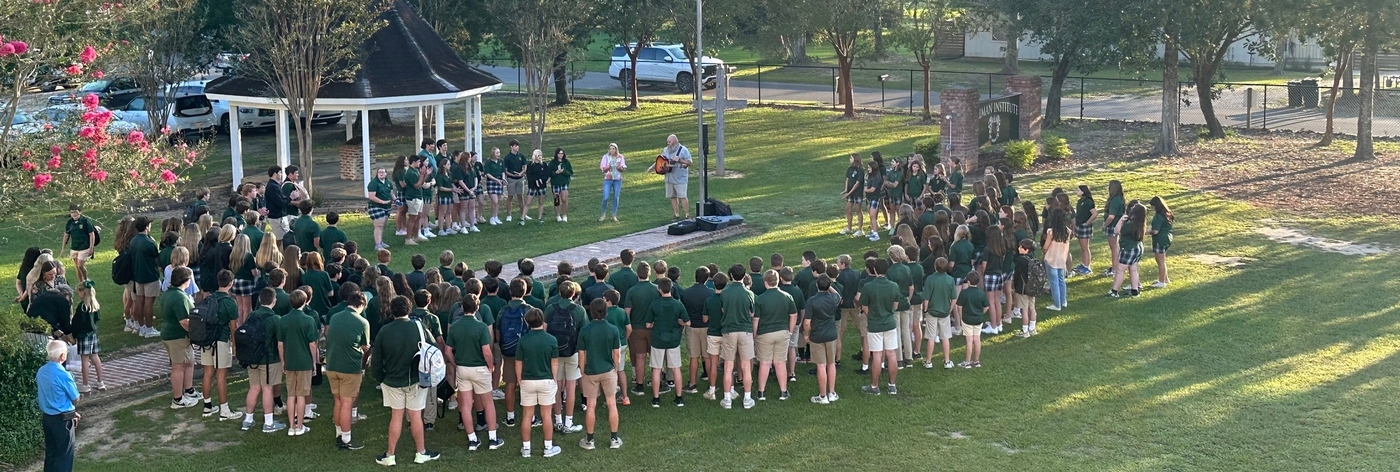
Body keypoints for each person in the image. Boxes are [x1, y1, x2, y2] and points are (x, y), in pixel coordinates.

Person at [371, 296, 441, 466]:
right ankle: (421, 452)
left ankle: (390, 455)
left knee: (396, 416)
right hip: (416, 378)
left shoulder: (385, 331)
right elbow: (434, 348)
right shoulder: (419, 327)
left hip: (392, 380)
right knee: (416, 416)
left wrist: (381, 378)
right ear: (409, 309)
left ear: (391, 311)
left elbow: (376, 360)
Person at [445, 293, 505, 451]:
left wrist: (455, 362)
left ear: (462, 307)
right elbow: (486, 351)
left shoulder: (455, 326)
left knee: (465, 404)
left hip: (463, 368)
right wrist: (490, 366)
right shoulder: (480, 326)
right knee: (488, 402)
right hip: (479, 368)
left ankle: (472, 439)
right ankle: (492, 438)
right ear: (477, 307)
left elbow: (448, 350)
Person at [324, 283, 370, 450]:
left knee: (337, 400)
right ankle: (346, 439)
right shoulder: (363, 322)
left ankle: (339, 432)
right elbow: (366, 346)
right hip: (350, 368)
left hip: (332, 364)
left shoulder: (335, 317)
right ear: (361, 305)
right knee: (347, 403)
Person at [516, 308, 561, 458]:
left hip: (528, 381)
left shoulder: (523, 341)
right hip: (546, 379)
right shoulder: (551, 340)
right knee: (547, 415)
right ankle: (548, 447)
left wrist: (519, 379)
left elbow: (518, 363)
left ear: (527, 322)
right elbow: (554, 363)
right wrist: (554, 378)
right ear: (542, 320)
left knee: (527, 415)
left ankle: (526, 448)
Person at [578, 299, 623, 449]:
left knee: (591, 405)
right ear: (606, 311)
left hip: (590, 371)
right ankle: (614, 439)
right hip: (608, 370)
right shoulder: (613, 329)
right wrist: (615, 370)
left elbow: (582, 354)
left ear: (591, 312)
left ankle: (589, 440)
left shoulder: (585, 330)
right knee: (611, 404)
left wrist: (583, 371)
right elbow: (616, 354)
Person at [240, 288, 286, 433]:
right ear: (274, 301)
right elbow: (280, 342)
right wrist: (283, 361)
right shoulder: (276, 319)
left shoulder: (251, 315)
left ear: (260, 300)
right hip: (270, 359)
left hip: (252, 357)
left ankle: (247, 420)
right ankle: (268, 422)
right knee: (267, 388)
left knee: (254, 388)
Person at [200, 270, 242, 420]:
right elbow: (233, 327)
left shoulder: (209, 299)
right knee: (221, 376)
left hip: (207, 340)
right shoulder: (230, 302)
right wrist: (235, 345)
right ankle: (224, 410)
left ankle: (207, 406)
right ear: (231, 283)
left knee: (207, 373)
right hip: (221, 340)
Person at [545, 281, 586, 434]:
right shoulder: (579, 310)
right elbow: (583, 333)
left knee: (557, 386)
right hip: (572, 352)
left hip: (554, 353)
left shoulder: (550, 308)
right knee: (570, 388)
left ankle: (557, 421)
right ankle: (569, 422)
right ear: (574, 294)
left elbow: (544, 331)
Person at [158, 266, 200, 408]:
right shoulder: (179, 297)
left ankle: (189, 390)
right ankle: (177, 399)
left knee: (189, 362)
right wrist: (196, 334)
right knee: (178, 367)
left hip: (169, 334)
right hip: (177, 337)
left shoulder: (169, 293)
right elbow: (184, 321)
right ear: (186, 280)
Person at [278, 289, 318, 436]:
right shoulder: (309, 320)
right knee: (301, 395)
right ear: (305, 301)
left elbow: (280, 343)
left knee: (290, 395)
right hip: (304, 362)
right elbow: (312, 344)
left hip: (290, 361)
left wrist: (283, 361)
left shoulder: (283, 320)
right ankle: (299, 425)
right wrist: (314, 362)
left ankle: (291, 426)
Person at [753, 270, 796, 401]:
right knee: (780, 362)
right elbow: (793, 316)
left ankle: (761, 393)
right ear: (778, 281)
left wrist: (754, 335)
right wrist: (790, 331)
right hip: (782, 332)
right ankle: (783, 392)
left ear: (765, 283)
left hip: (765, 334)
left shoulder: (760, 299)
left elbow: (756, 320)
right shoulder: (787, 296)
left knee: (765, 363)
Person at [38, 339, 81, 472]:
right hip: (62, 420)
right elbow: (75, 398)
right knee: (64, 456)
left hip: (47, 418)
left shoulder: (41, 371)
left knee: (51, 453)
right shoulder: (64, 374)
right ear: (62, 356)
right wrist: (72, 411)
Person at [645, 277, 688, 407]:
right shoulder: (678, 304)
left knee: (657, 369)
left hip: (658, 340)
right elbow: (687, 322)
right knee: (676, 369)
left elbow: (648, 324)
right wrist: (678, 321)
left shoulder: (654, 304)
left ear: (659, 289)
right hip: (673, 341)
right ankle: (679, 398)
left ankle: (656, 399)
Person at [860, 259, 900, 396]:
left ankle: (874, 386)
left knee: (877, 355)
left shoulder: (868, 287)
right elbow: (895, 305)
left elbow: (864, 307)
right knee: (892, 354)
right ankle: (892, 385)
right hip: (889, 323)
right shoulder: (894, 286)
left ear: (875, 270)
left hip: (875, 324)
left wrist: (872, 316)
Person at [718, 269, 756, 410]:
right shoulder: (749, 293)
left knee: (728, 366)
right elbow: (752, 313)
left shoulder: (725, 292)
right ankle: (747, 398)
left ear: (731, 276)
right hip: (745, 331)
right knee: (746, 367)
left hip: (729, 331)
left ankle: (727, 398)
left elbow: (723, 310)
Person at [623, 262, 660, 395]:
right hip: (654, 328)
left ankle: (639, 385)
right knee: (655, 357)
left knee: (640, 357)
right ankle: (658, 382)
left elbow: (627, 313)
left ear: (637, 274)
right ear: (649, 273)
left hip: (636, 328)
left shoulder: (631, 291)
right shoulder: (656, 289)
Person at [805, 274, 840, 404]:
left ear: (816, 285)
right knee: (831, 363)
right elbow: (838, 296)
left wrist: (806, 335)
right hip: (831, 334)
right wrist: (830, 286)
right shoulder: (833, 298)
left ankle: (823, 396)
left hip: (817, 335)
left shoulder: (812, 301)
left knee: (821, 365)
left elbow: (807, 322)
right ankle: (832, 393)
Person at [920, 258, 957, 369]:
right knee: (945, 337)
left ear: (935, 266)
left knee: (931, 337)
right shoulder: (950, 280)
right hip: (945, 312)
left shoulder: (930, 279)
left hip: (932, 311)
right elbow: (954, 298)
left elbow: (926, 298)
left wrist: (925, 309)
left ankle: (928, 361)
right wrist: (950, 309)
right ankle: (947, 361)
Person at [680, 267, 712, 393]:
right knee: (707, 356)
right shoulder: (710, 293)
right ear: (707, 278)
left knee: (694, 357)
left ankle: (692, 383)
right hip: (706, 328)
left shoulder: (686, 292)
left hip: (692, 327)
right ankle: (711, 383)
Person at [130, 217, 163, 338]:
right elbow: (156, 259)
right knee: (149, 303)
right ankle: (149, 329)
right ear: (146, 227)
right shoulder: (150, 242)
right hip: (150, 275)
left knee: (139, 301)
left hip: (138, 275)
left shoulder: (133, 241)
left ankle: (142, 327)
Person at [71, 281, 105, 393]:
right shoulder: (95, 305)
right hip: (93, 334)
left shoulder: (82, 308)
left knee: (85, 360)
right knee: (95, 357)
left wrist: (74, 335)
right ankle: (100, 382)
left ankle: (85, 385)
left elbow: (77, 323)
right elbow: (97, 319)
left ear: (82, 292)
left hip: (83, 335)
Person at [1109, 202, 1148, 298]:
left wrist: (1121, 220)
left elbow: (1116, 230)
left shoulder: (1129, 225)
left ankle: (1114, 291)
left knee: (1120, 270)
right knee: (1133, 269)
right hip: (1138, 248)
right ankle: (1135, 291)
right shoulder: (1141, 223)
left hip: (1128, 249)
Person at [651, 134, 692, 220]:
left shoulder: (683, 150)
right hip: (669, 177)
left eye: (669, 142)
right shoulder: (666, 150)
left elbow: (689, 162)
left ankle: (687, 215)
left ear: (675, 142)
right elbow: (661, 160)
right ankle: (676, 214)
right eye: (667, 142)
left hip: (680, 178)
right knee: (672, 196)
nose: (668, 143)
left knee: (682, 196)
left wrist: (680, 160)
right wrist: (653, 167)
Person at [1043, 208, 1072, 311]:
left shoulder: (1051, 232)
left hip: (1051, 259)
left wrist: (1044, 252)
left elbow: (1046, 246)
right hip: (1061, 259)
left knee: (1053, 282)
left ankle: (1056, 304)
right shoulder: (1068, 231)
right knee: (1061, 281)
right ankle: (1063, 301)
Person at [957, 271, 988, 368]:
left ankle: (967, 362)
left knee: (969, 340)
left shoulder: (964, 293)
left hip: (967, 319)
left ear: (969, 282)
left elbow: (959, 307)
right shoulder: (981, 293)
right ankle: (976, 361)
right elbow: (986, 306)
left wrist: (961, 316)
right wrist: (980, 313)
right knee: (977, 339)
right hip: (978, 319)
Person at [62, 205, 97, 282]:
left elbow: (92, 234)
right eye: (71, 212)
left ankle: (86, 280)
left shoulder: (85, 221)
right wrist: (63, 248)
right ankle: (81, 283)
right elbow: (66, 235)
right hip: (74, 247)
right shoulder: (69, 222)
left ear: (80, 212)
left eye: (75, 212)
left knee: (80, 266)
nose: (73, 214)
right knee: (77, 267)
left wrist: (91, 248)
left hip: (84, 247)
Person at [1012, 240, 1038, 337]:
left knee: (1024, 310)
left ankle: (1025, 330)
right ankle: (1032, 328)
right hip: (1032, 287)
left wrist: (1015, 286)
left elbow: (1017, 276)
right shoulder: (1033, 259)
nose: (1018, 248)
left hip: (1022, 288)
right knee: (1032, 308)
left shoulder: (1020, 261)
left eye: (1021, 247)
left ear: (1026, 250)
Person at [1148, 196, 1174, 288]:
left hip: (1160, 239)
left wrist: (1147, 232)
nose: (1152, 208)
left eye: (1153, 206)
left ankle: (1161, 282)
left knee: (1160, 261)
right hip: (1167, 238)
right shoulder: (1167, 214)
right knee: (1162, 260)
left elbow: (1155, 231)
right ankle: (1165, 278)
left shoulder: (1158, 217)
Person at [1102, 180, 1126, 278]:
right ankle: (1116, 267)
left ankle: (1115, 268)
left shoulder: (1115, 200)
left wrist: (1105, 225)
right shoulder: (1120, 198)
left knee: (1114, 248)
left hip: (1112, 225)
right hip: (1117, 224)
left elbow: (1111, 216)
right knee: (1116, 247)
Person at [1072, 185, 1098, 276]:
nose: (1076, 191)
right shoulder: (1080, 201)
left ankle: (1087, 267)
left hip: (1084, 226)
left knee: (1085, 247)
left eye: (1078, 190)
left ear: (1083, 192)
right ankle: (1083, 264)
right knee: (1082, 248)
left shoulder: (1088, 202)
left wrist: (1087, 223)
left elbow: (1094, 214)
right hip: (1079, 225)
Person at [366, 168, 395, 250]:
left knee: (382, 225)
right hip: (376, 206)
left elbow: (391, 193)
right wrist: (382, 202)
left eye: (383, 172)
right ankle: (378, 245)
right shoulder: (373, 183)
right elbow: (371, 196)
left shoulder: (388, 182)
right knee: (378, 225)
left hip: (387, 207)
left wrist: (396, 200)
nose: (381, 173)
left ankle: (381, 242)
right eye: (379, 172)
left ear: (386, 173)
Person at [599, 143, 626, 221]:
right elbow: (603, 169)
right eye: (610, 149)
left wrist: (619, 167)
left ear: (616, 149)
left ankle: (614, 215)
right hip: (608, 179)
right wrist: (608, 166)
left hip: (617, 179)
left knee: (616, 197)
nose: (612, 150)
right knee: (605, 197)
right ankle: (603, 214)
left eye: (613, 149)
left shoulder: (620, 157)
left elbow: (623, 168)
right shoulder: (606, 157)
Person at [503, 140, 528, 223]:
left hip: (520, 179)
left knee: (520, 196)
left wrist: (520, 173)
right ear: (511, 147)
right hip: (511, 179)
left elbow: (525, 167)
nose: (517, 147)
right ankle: (509, 215)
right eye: (515, 146)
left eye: (518, 145)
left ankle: (523, 214)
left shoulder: (521, 156)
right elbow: (505, 170)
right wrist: (512, 175)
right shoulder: (507, 158)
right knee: (510, 197)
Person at [522, 150, 550, 224]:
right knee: (528, 202)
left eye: (541, 155)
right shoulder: (530, 165)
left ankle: (540, 218)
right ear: (535, 156)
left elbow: (546, 175)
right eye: (538, 155)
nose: (540, 157)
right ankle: (522, 218)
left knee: (541, 202)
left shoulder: (544, 165)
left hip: (542, 186)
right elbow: (529, 176)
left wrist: (541, 179)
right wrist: (536, 180)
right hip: (532, 186)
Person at [265, 166, 290, 239]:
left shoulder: (276, 185)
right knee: (282, 239)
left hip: (278, 216)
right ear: (275, 174)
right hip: (277, 217)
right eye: (280, 173)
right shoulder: (273, 186)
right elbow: (280, 202)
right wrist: (291, 198)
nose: (281, 174)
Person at [484, 147, 507, 225]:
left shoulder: (501, 161)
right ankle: (492, 217)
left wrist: (503, 179)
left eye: (499, 152)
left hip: (500, 182)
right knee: (495, 201)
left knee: (498, 201)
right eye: (497, 153)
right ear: (493, 154)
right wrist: (496, 180)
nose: (498, 154)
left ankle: (496, 216)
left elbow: (503, 171)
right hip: (492, 182)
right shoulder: (488, 162)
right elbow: (487, 173)